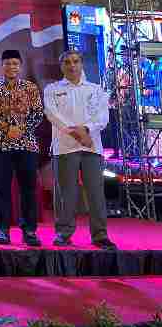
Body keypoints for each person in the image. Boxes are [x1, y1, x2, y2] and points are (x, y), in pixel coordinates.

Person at [44, 50, 117, 250]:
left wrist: (86, 130)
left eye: (76, 61)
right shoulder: (52, 89)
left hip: (91, 147)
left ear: (81, 63)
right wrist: (76, 133)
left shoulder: (95, 89)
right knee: (65, 193)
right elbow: (52, 114)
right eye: (67, 62)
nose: (72, 65)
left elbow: (102, 117)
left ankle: (100, 235)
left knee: (96, 192)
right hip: (64, 147)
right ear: (61, 66)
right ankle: (63, 234)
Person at [0, 49, 44, 246]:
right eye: (8, 63)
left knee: (28, 189)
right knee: (1, 190)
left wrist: (21, 129)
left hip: (27, 145)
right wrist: (7, 129)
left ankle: (29, 231)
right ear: (2, 66)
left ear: (20, 66)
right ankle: (2, 230)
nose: (11, 67)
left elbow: (38, 113)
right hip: (1, 145)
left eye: (15, 63)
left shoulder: (30, 88)